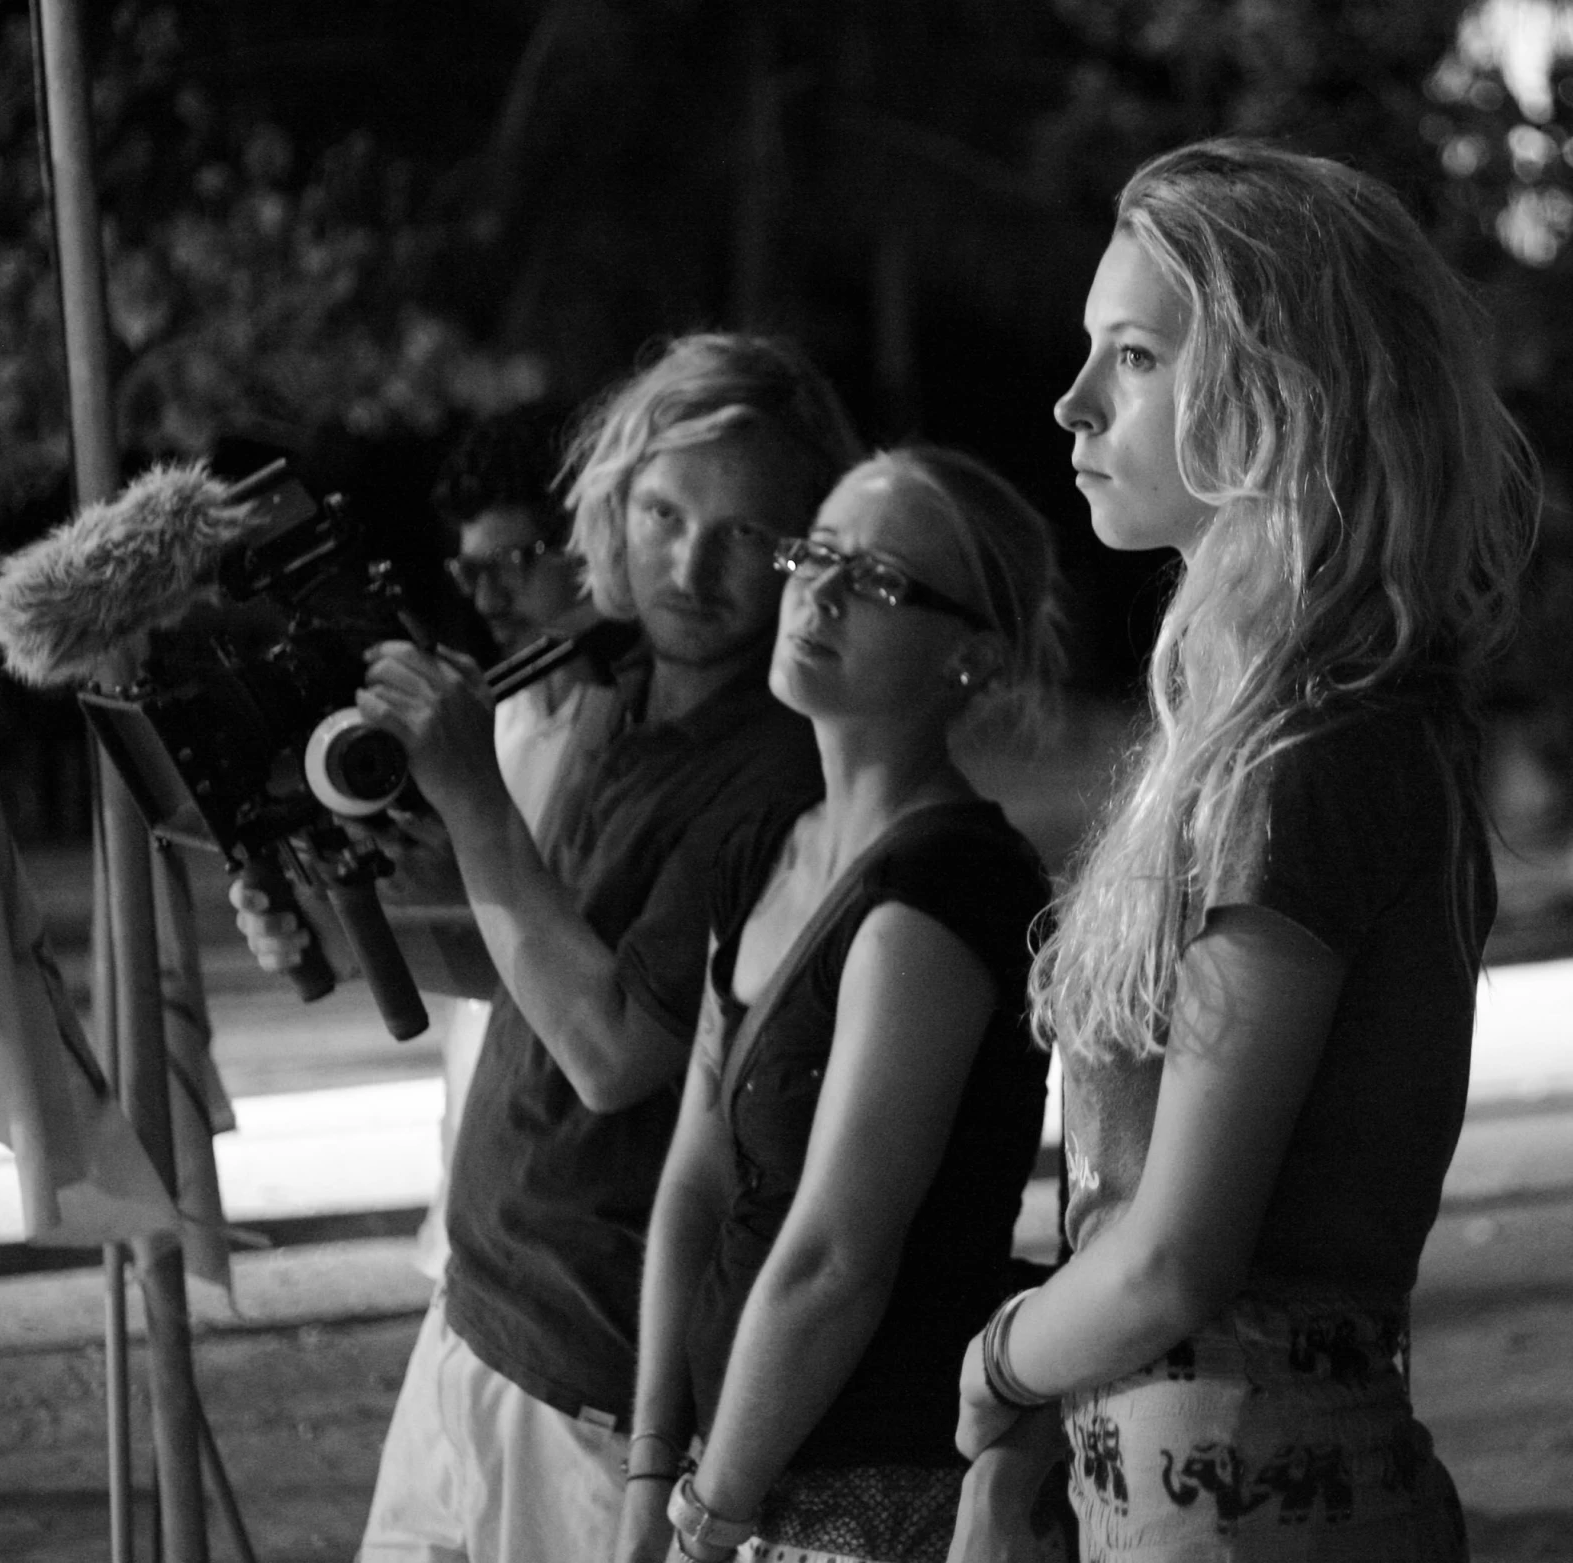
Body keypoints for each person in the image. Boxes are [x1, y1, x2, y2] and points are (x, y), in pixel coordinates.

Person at [951, 139, 1537, 1559]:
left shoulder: (1314, 754)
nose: (1072, 399)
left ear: (1283, 391)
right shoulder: (1282, 734)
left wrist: (994, 1363)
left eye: (1137, 356)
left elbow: (1174, 1253)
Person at [234, 333, 861, 1563]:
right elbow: (538, 958)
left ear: (806, 549)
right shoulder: (624, 693)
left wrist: (472, 796)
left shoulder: (782, 766)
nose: (689, 563)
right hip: (473, 1319)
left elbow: (616, 1051)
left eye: (743, 533)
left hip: (595, 1387)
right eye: (664, 511)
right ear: (612, 505)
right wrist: (349, 932)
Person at [613, 449, 1067, 1563]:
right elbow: (694, 1179)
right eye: (812, 552)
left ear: (972, 656)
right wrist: (650, 1474)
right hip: (731, 1479)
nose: (812, 592)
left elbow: (834, 1259)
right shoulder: (767, 846)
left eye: (872, 580)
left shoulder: (947, 885)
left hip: (874, 1497)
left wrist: (706, 1519)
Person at [410, 403, 605, 1285]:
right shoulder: (500, 716)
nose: (485, 598)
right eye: (468, 569)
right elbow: (492, 951)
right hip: (480, 1169)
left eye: (514, 564)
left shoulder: (628, 728)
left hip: (576, 1202)